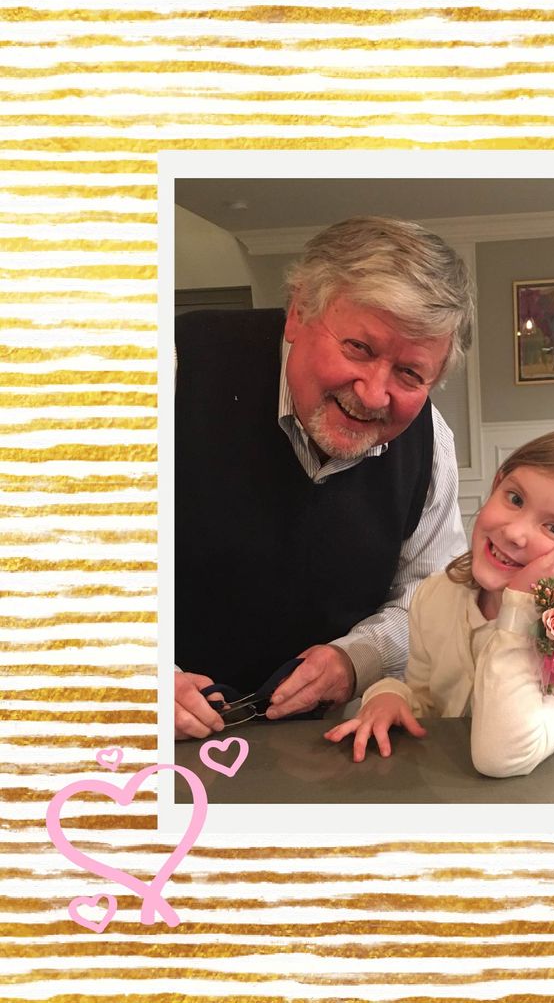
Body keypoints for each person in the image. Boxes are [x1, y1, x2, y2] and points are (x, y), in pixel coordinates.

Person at [174, 216, 474, 739]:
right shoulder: (171, 370)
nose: (375, 394)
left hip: (325, 747)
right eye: (359, 347)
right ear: (297, 312)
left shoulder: (432, 445)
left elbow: (429, 600)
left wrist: (355, 659)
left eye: (409, 374)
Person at [325, 427, 554, 778]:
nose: (513, 532)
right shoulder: (437, 596)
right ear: (496, 485)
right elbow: (428, 697)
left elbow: (502, 757)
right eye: (515, 499)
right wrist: (389, 695)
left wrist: (521, 608)